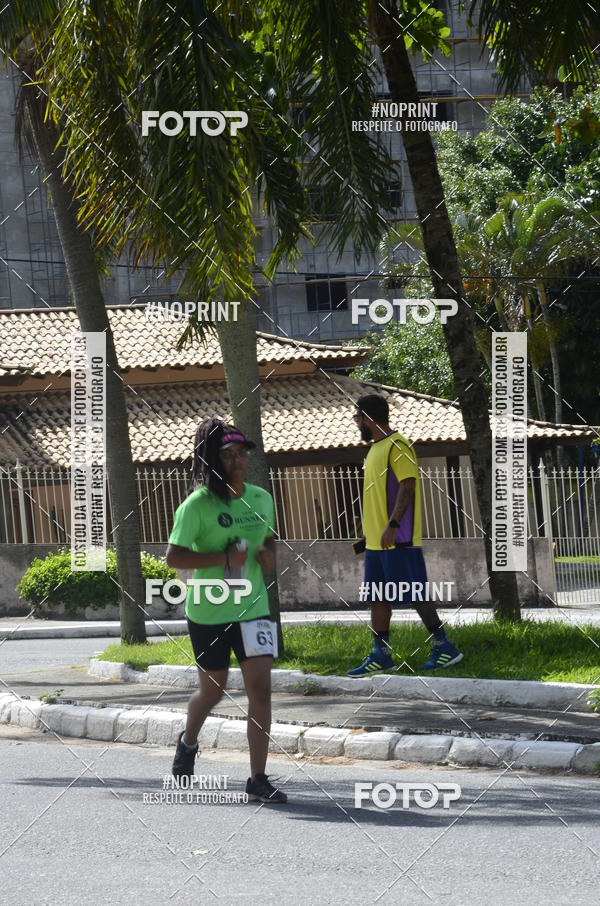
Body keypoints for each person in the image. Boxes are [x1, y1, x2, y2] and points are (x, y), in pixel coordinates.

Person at [166, 416, 287, 803]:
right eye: (229, 454)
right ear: (212, 460)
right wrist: (222, 557)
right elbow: (174, 558)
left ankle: (257, 778)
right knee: (213, 692)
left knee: (261, 691)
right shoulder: (197, 506)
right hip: (210, 610)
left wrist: (267, 557)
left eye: (243, 453)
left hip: (252, 609)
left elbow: (266, 542)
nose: (238, 460)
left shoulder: (261, 499)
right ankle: (188, 742)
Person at [347, 393, 463, 676]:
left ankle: (444, 646)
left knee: (414, 593)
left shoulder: (398, 446)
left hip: (399, 540)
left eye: (358, 417)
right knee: (378, 596)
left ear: (370, 418)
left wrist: (394, 525)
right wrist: (369, 535)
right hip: (377, 544)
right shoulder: (375, 449)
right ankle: (381, 654)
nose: (356, 423)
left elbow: (407, 487)